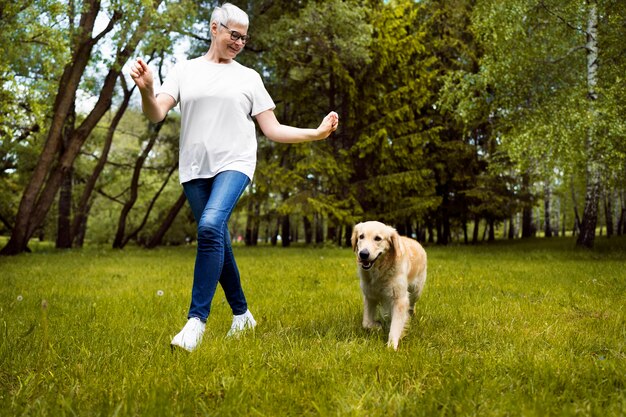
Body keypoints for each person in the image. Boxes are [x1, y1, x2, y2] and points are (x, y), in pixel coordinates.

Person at [129, 3, 338, 352]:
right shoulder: (185, 70)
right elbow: (156, 114)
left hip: (236, 163)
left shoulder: (248, 78)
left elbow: (272, 129)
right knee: (219, 239)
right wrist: (147, 90)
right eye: (233, 34)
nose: (239, 42)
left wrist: (315, 134)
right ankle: (242, 316)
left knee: (210, 226)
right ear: (214, 28)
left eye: (244, 37)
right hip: (194, 169)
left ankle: (196, 322)